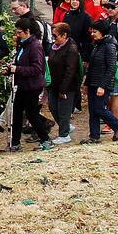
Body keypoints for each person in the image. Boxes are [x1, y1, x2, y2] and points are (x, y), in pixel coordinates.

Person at [6, 19, 53, 152]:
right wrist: (10, 69)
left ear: (28, 32)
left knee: (32, 115)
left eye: (19, 32)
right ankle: (15, 143)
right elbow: (20, 64)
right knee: (16, 114)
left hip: (33, 86)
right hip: (22, 85)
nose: (17, 35)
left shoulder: (35, 46)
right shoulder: (23, 45)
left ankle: (45, 139)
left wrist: (17, 70)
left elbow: (37, 69)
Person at [81, 21, 118, 143]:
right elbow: (91, 66)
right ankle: (94, 136)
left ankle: (117, 125)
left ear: (103, 33)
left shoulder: (109, 46)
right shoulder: (97, 45)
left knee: (99, 109)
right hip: (93, 83)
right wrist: (86, 83)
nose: (93, 34)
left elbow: (111, 68)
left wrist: (103, 86)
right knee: (93, 110)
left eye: (95, 32)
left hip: (101, 84)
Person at [45, 22, 81, 144]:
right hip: (54, 84)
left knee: (63, 110)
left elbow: (70, 71)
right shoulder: (54, 47)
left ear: (64, 35)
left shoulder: (71, 49)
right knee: (52, 106)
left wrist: (63, 89)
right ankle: (65, 126)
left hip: (66, 86)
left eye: (55, 36)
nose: (53, 39)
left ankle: (64, 134)